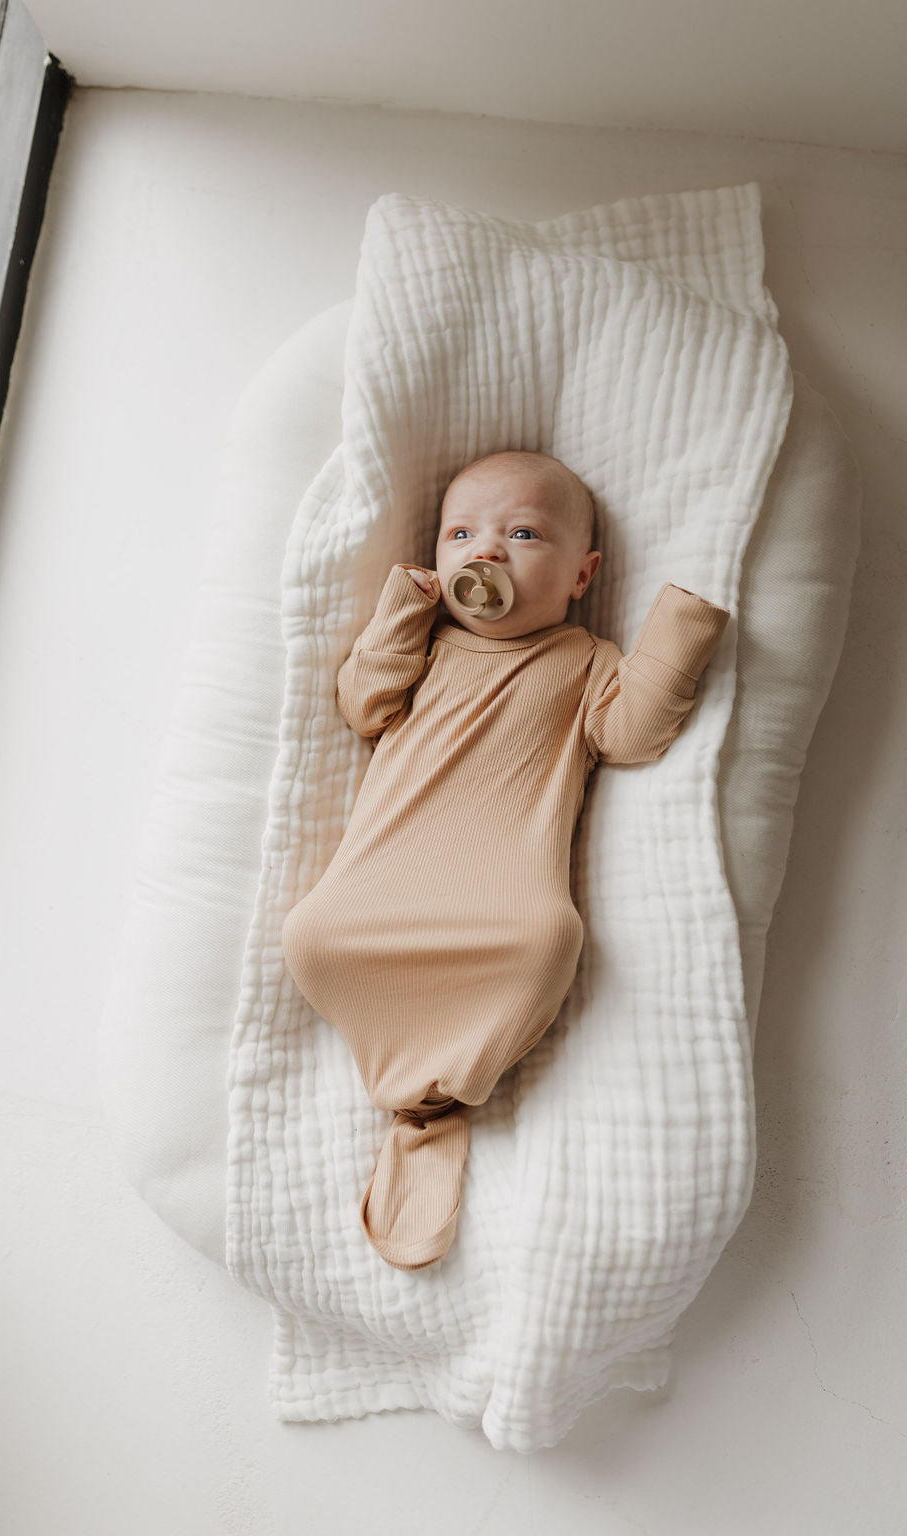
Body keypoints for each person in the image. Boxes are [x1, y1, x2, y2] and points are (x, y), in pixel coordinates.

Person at [281, 450, 730, 1271]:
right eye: (461, 535)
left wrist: (681, 632)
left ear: (581, 575)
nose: (484, 552)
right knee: (312, 934)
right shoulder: (430, 649)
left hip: (501, 908)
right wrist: (401, 611)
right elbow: (362, 703)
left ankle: (442, 1092)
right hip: (380, 888)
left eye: (521, 533)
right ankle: (417, 1093)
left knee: (546, 942)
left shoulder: (584, 660)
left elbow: (633, 735)